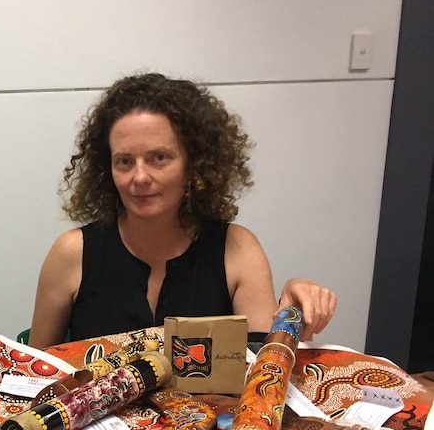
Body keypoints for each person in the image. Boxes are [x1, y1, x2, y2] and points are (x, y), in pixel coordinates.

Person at [28, 72, 337, 349]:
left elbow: (261, 368)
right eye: (124, 161)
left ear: (194, 164)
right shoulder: (72, 253)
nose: (139, 177)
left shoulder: (237, 249)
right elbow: (38, 373)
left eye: (159, 157)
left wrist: (292, 307)